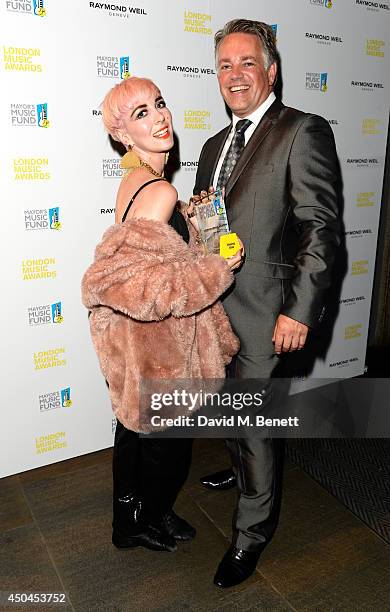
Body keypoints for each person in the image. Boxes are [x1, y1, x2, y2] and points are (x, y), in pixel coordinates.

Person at [194, 19, 341, 587]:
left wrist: (299, 311)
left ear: (271, 70)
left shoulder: (302, 130)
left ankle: (250, 535)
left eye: (247, 63)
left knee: (254, 425)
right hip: (217, 310)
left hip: (266, 314)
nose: (235, 75)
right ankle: (241, 472)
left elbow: (321, 228)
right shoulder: (213, 146)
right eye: (225, 65)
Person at [81, 77, 241, 553]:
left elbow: (149, 262)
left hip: (138, 342)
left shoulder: (134, 183)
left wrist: (190, 231)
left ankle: (132, 521)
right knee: (167, 447)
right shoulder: (158, 193)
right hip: (162, 344)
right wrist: (217, 267)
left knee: (133, 433)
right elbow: (153, 289)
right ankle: (147, 516)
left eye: (160, 104)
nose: (161, 117)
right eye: (142, 114)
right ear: (123, 135)